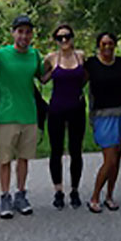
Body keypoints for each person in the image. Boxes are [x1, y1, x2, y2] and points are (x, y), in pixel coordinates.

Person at [0, 14, 44, 219]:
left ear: (32, 35)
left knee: (24, 159)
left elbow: (43, 76)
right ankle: (5, 197)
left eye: (28, 32)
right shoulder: (0, 55)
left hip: (29, 115)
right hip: (6, 115)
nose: (24, 35)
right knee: (5, 160)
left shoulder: (34, 55)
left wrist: (59, 63)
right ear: (13, 33)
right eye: (20, 31)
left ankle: (21, 195)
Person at [84, 32, 121, 213]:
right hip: (103, 115)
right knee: (110, 159)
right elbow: (79, 82)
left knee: (117, 159)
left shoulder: (120, 63)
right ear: (98, 45)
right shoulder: (91, 64)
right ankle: (95, 197)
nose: (107, 47)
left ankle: (109, 195)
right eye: (103, 44)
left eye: (111, 43)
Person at [42, 24, 86, 210]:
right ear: (56, 40)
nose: (64, 41)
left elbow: (86, 76)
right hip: (57, 109)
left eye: (67, 36)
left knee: (76, 151)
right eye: (60, 38)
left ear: (73, 37)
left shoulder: (81, 56)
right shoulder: (51, 58)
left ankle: (74, 190)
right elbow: (41, 78)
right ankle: (58, 191)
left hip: (76, 108)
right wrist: (53, 72)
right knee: (56, 151)